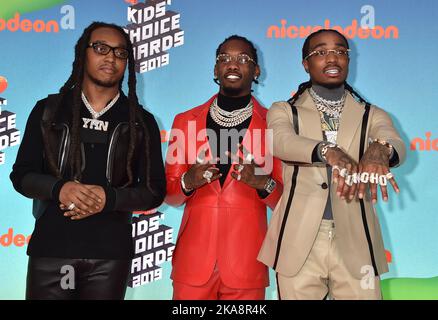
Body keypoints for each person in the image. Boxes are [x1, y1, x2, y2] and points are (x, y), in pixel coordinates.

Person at [10, 21, 166, 300]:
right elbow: (21, 176)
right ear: (83, 54)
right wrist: (60, 188)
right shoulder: (48, 110)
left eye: (120, 53)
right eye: (101, 48)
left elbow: (153, 192)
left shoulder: (142, 122)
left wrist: (109, 198)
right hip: (52, 250)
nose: (111, 57)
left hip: (109, 257)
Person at [258, 29, 406, 300]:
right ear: (306, 63)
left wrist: (380, 149)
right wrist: (325, 150)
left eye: (340, 51)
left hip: (356, 240)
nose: (332, 59)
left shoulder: (370, 113)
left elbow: (392, 138)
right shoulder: (284, 110)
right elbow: (279, 141)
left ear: (348, 60)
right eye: (321, 52)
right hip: (298, 241)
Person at [165, 35, 283, 300]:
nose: (233, 64)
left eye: (243, 59)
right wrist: (187, 181)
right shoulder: (185, 121)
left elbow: (287, 202)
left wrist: (264, 184)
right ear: (215, 70)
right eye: (224, 59)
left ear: (256, 71)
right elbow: (169, 195)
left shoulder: (275, 126)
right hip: (192, 263)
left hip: (247, 265)